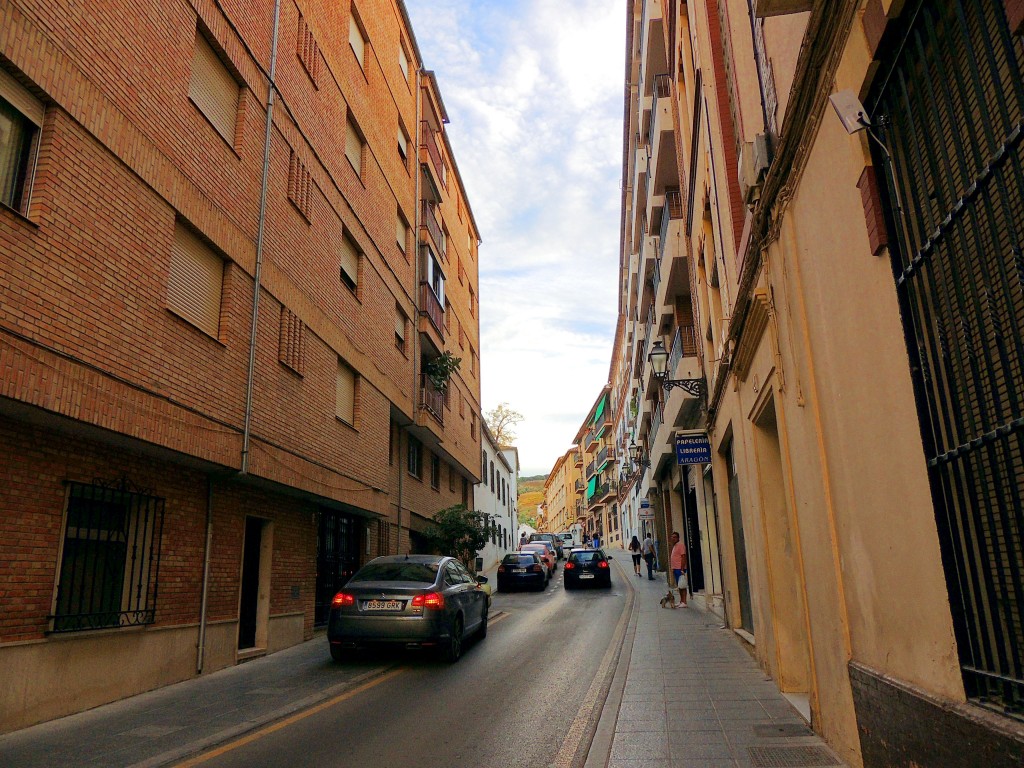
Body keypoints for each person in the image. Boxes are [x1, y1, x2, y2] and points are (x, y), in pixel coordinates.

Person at [669, 531, 688, 607]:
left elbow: (683, 557)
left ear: (678, 538)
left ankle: (684, 602)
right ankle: (681, 601)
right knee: (679, 586)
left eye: (675, 537)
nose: (673, 538)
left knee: (682, 585)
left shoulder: (680, 545)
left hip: (679, 569)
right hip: (675, 568)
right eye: (672, 537)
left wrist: (682, 569)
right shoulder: (675, 546)